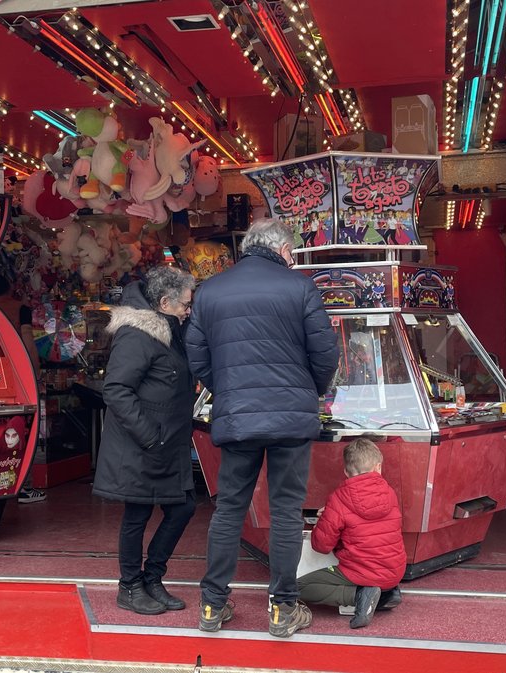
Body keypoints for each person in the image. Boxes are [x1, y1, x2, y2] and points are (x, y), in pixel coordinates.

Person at [186, 218, 339, 638]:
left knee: (230, 507)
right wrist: (309, 391)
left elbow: (196, 354)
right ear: (283, 250)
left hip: (238, 415)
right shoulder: (299, 287)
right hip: (291, 416)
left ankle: (213, 606)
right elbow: (325, 352)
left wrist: (228, 389)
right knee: (287, 510)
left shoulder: (211, 290)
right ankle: (282, 609)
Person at [93, 267, 198, 616]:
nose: (189, 308)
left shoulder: (173, 329)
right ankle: (130, 586)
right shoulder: (137, 334)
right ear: (165, 302)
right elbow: (116, 390)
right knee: (137, 514)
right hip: (144, 444)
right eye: (185, 303)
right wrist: (150, 437)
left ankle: (152, 577)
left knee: (183, 507)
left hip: (168, 443)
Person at [297, 438, 406, 629]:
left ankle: (359, 596)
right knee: (374, 575)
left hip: (361, 571)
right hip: (395, 571)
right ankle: (387, 593)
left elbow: (321, 546)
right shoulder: (389, 492)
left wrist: (325, 518)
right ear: (378, 467)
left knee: (296, 588)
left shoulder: (339, 499)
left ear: (346, 472)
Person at [0, 275, 46, 504]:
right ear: (10, 286)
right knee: (22, 428)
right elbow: (28, 342)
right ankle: (24, 486)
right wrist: (35, 373)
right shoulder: (20, 309)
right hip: (17, 376)